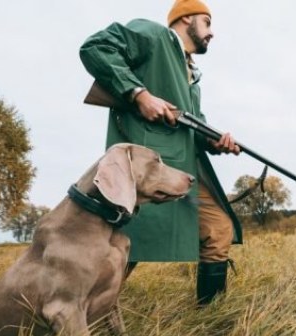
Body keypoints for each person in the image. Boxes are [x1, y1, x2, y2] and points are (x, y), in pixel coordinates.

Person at [80, 0, 242, 305]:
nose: (212, 33)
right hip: (146, 164)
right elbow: (95, 47)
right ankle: (76, 313)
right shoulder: (154, 35)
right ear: (186, 19)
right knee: (127, 244)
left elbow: (195, 122)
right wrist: (139, 94)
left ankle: (212, 318)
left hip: (185, 165)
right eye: (207, 23)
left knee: (218, 228)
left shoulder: (192, 75)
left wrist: (215, 141)